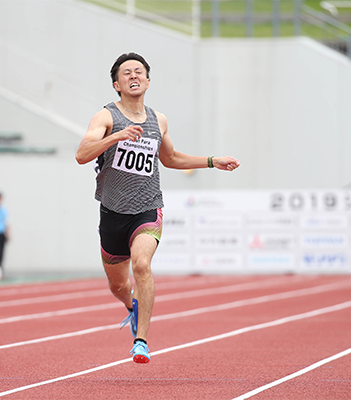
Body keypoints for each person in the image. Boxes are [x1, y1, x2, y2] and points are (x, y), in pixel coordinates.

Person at [74, 52, 240, 364]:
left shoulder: (157, 120)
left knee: (141, 265)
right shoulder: (106, 118)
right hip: (111, 212)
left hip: (147, 210)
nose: (133, 76)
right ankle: (131, 306)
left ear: (148, 81)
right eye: (126, 73)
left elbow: (170, 159)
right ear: (117, 84)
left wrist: (211, 161)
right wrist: (117, 137)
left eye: (139, 71)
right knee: (119, 285)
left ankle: (141, 341)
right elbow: (82, 154)